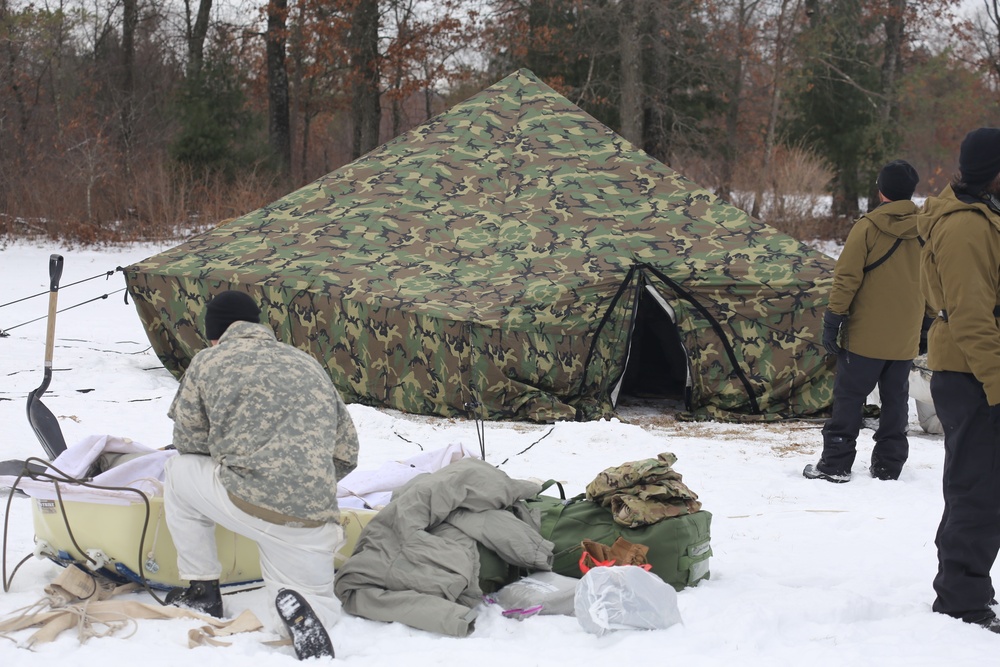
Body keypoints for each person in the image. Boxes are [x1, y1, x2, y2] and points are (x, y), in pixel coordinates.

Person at [162, 290, 359, 659]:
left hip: (247, 500)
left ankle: (202, 591)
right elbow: (346, 451)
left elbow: (189, 442)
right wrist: (302, 483)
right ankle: (310, 615)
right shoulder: (306, 362)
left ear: (214, 334)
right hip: (313, 515)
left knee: (177, 470)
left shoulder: (208, 361)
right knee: (314, 599)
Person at [920, 127, 1000, 633]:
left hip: (979, 371)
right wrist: (998, 387)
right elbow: (972, 317)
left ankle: (966, 587)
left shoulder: (984, 216)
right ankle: (962, 601)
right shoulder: (967, 227)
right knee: (978, 489)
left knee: (981, 485)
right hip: (973, 374)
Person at [803, 159, 922, 483]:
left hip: (865, 335)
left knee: (849, 399)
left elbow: (846, 278)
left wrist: (833, 319)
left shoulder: (868, 227)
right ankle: (889, 466)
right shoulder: (926, 228)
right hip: (905, 335)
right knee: (896, 401)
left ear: (881, 190)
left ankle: (836, 464)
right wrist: (925, 323)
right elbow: (933, 278)